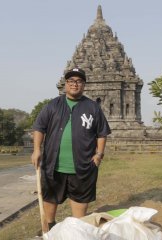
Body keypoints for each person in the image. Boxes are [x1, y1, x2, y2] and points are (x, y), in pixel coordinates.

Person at [31, 67, 111, 231]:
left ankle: (76, 231)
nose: (75, 84)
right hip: (54, 165)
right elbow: (39, 127)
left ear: (84, 85)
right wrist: (37, 149)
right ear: (65, 84)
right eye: (71, 81)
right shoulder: (53, 105)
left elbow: (102, 132)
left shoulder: (92, 107)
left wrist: (99, 154)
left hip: (83, 166)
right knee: (50, 198)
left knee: (80, 212)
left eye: (79, 81)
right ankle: (50, 228)